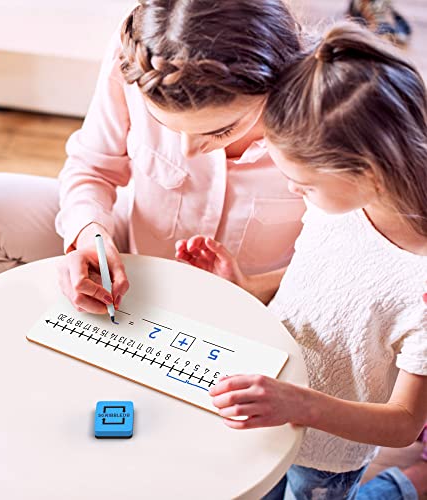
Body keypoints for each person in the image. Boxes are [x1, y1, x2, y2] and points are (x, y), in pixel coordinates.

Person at [177, 22, 427, 499]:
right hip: (267, 407)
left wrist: (299, 404)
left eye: (305, 184)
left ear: (369, 173)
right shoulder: (341, 204)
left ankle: (405, 485)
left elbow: (403, 424)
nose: (294, 191)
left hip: (327, 455)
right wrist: (251, 285)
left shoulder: (421, 283)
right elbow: (327, 277)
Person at [0, 0, 305, 313]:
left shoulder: (332, 108)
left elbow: (346, 269)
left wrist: (252, 287)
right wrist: (90, 236)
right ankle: (43, 346)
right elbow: (92, 166)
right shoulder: (140, 55)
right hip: (136, 261)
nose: (190, 151)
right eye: (172, 129)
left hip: (254, 305)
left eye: (221, 131)